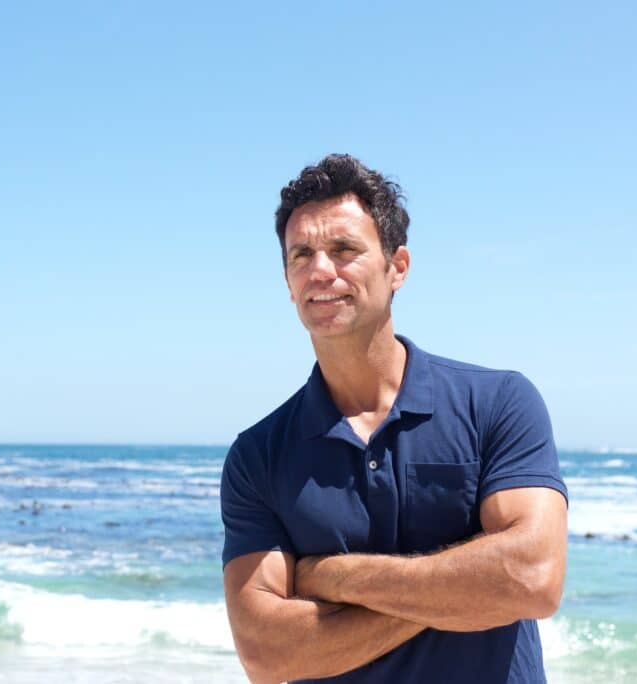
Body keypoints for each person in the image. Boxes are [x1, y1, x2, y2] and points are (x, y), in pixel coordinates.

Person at [220, 154, 568, 683]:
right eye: (301, 255)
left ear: (397, 267)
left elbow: (532, 578)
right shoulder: (257, 455)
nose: (320, 270)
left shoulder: (499, 403)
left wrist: (333, 577)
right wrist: (461, 592)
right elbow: (267, 655)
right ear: (287, 281)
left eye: (344, 250)